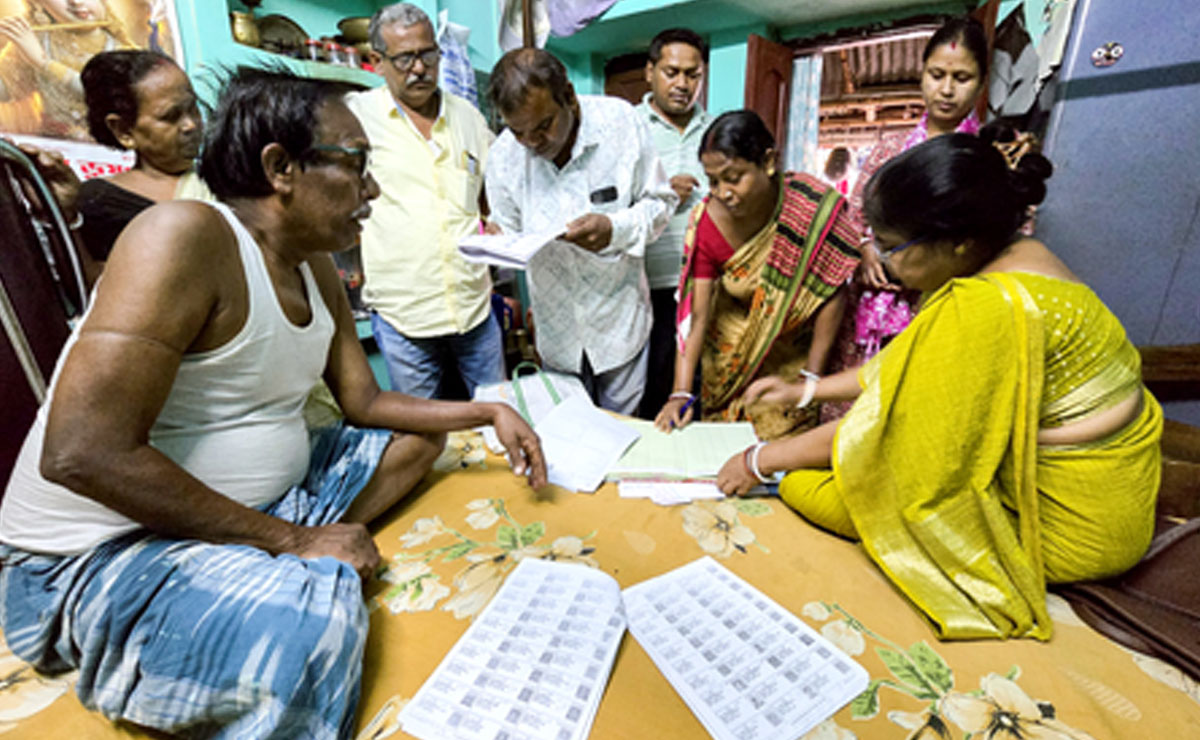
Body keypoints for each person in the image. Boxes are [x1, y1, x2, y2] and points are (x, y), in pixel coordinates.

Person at [0, 68, 546, 737]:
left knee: (419, 443)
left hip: (249, 510)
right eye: (357, 164)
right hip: (96, 553)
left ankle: (255, 553)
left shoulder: (313, 263)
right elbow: (81, 453)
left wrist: (486, 411)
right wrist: (293, 541)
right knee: (313, 625)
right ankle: (265, 562)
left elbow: (365, 401)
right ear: (280, 167)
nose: (373, 190)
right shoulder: (182, 235)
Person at [717, 128, 1163, 641]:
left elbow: (886, 424)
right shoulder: (1024, 258)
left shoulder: (984, 306)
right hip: (1117, 499)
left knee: (810, 488)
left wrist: (760, 460)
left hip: (1077, 530)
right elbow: (908, 366)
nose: (885, 263)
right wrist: (807, 390)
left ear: (959, 241)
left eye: (892, 247)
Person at [484, 48, 676, 415]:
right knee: (570, 429)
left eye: (544, 125)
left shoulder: (620, 122)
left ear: (569, 97)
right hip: (555, 332)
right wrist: (496, 240)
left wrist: (614, 229)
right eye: (519, 131)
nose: (532, 142)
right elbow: (506, 226)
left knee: (624, 430)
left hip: (618, 322)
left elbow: (661, 203)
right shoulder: (504, 155)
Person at [655, 110, 860, 440]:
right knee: (723, 447)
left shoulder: (810, 209)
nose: (723, 192)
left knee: (785, 448)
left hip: (792, 354)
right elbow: (697, 315)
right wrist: (680, 392)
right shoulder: (707, 221)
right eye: (713, 181)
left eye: (733, 178)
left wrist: (811, 377)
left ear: (768, 162)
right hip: (727, 360)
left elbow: (830, 291)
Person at [824, 17, 988, 421]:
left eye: (962, 78)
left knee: (915, 416)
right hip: (871, 309)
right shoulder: (889, 151)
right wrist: (865, 249)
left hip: (942, 309)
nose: (946, 90)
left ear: (982, 82)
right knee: (852, 417)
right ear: (922, 75)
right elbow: (852, 218)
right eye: (937, 75)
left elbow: (1001, 241)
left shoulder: (988, 158)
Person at [345, 3, 503, 400]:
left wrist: (496, 222)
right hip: (404, 317)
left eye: (428, 54)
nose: (419, 68)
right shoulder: (356, 117)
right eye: (404, 58)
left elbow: (495, 185)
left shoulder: (468, 117)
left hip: (474, 308)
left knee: (499, 418)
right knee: (422, 429)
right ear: (377, 61)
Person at [635, 27, 714, 420]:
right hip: (645, 287)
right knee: (650, 391)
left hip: (705, 287)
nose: (682, 84)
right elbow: (609, 204)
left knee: (699, 389)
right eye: (672, 72)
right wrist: (663, 194)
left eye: (692, 75)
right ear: (650, 72)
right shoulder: (629, 127)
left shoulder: (715, 131)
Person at [73, 49, 203, 263]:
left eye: (193, 108)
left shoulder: (226, 179)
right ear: (124, 131)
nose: (190, 125)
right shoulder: (101, 203)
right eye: (171, 116)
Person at [0, 0, 136, 140]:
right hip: (52, 145)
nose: (76, 2)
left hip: (110, 146)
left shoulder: (122, 51)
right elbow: (6, 89)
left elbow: (103, 96)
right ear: (40, 4)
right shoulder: (37, 41)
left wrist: (43, 63)